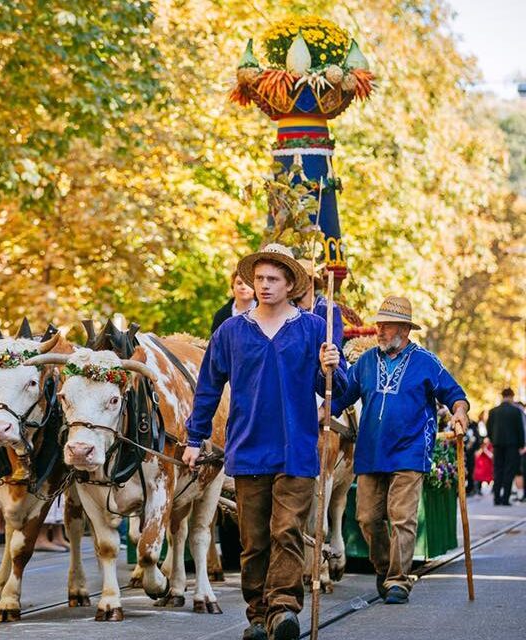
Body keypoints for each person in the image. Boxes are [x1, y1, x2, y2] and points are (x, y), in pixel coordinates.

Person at [183, 244, 345, 640]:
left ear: (291, 284)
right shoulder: (230, 332)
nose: (264, 285)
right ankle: (257, 614)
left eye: (273, 279)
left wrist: (332, 369)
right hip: (248, 446)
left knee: (287, 531)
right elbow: (207, 389)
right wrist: (194, 437)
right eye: (259, 279)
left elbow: (336, 395)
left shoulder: (311, 329)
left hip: (297, 448)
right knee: (253, 541)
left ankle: (283, 610)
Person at [331, 295, 468, 605]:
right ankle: (384, 568)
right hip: (370, 450)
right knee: (367, 518)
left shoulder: (426, 362)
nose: (379, 330)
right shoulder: (366, 362)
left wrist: (460, 412)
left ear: (404, 329)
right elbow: (340, 397)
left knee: (402, 517)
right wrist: (321, 408)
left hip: (410, 450)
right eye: (378, 325)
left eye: (386, 325)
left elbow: (455, 394)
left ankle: (398, 580)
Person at [486, 388, 526, 506]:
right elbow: (520, 429)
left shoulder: (493, 411)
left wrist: (494, 440)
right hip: (512, 446)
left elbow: (489, 429)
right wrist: (521, 444)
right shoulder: (516, 411)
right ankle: (505, 498)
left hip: (497, 445)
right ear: (511, 396)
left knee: (498, 470)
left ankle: (496, 498)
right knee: (509, 471)